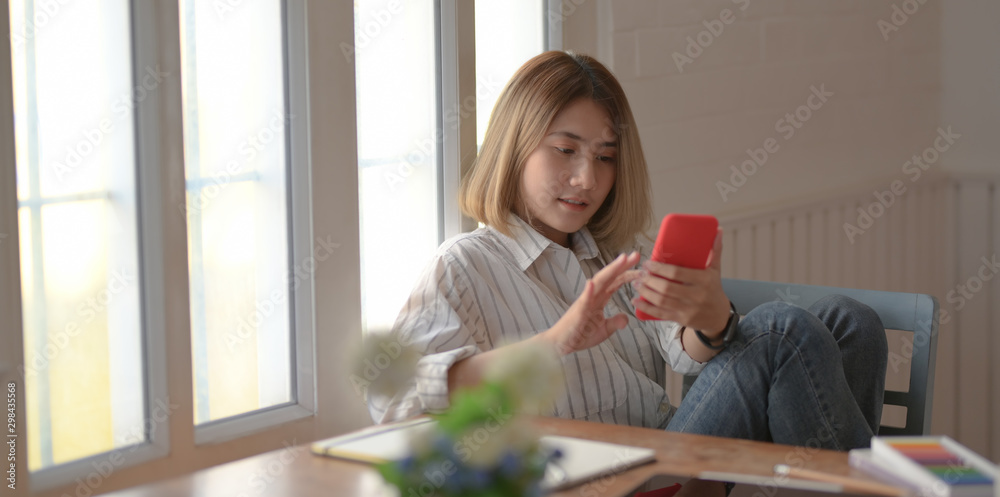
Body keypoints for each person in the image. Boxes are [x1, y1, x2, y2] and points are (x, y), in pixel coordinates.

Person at [366, 51, 888, 496]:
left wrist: (712, 321)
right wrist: (551, 343)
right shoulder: (464, 265)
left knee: (852, 321)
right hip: (599, 485)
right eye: (565, 150)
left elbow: (682, 351)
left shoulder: (615, 253)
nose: (586, 178)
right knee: (780, 330)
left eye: (605, 157)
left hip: (666, 456)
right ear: (515, 145)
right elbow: (390, 398)